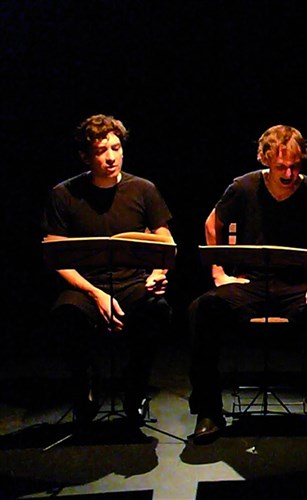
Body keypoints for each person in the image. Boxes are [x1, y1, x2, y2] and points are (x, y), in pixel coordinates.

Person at [187, 124, 307, 445]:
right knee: (203, 309)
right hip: (250, 282)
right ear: (265, 158)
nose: (289, 173)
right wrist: (219, 273)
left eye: (295, 165)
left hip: (296, 285)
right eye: (281, 166)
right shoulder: (243, 187)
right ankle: (209, 411)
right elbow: (212, 224)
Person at [42, 114, 174, 425]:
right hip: (84, 286)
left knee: (157, 310)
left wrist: (158, 274)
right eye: (101, 151)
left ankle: (134, 387)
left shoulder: (143, 189)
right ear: (85, 157)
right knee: (67, 315)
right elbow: (55, 254)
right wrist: (96, 294)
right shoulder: (64, 194)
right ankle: (85, 384)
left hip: (132, 282)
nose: (111, 157)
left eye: (116, 148)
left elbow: (165, 242)